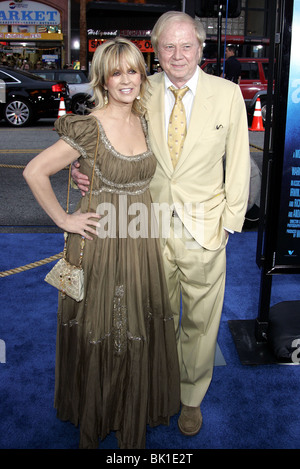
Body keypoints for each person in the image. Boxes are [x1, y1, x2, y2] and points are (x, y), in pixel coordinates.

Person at [72, 12, 250, 438]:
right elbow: (107, 135)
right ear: (155, 48)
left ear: (201, 48)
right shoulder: (140, 89)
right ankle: (159, 388)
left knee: (201, 322)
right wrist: (83, 169)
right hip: (144, 225)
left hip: (204, 227)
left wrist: (229, 223)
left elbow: (240, 163)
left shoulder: (227, 95)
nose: (177, 55)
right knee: (155, 316)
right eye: (168, 46)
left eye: (187, 45)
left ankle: (190, 397)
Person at [23, 37, 180, 449]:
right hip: (100, 240)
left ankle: (131, 409)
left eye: (133, 70)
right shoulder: (90, 126)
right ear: (103, 80)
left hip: (140, 234)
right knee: (104, 326)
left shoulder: (143, 118)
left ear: (141, 75)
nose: (126, 80)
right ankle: (99, 415)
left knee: (136, 324)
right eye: (116, 72)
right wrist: (65, 219)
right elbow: (35, 171)